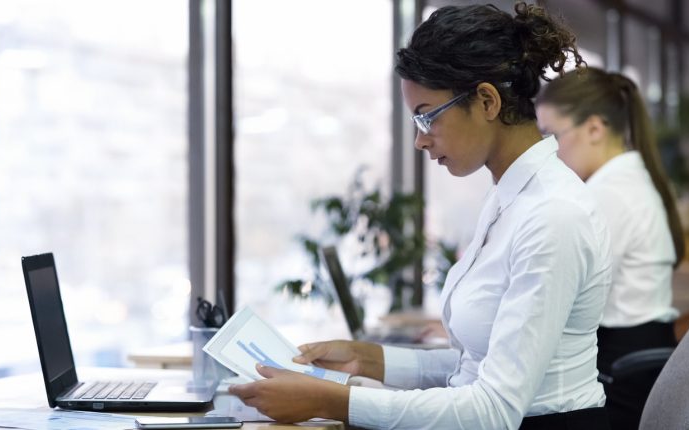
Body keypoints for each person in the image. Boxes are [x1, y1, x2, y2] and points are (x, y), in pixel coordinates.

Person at [229, 3, 613, 428]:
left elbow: (494, 410)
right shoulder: (511, 198)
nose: (420, 140)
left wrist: (333, 402)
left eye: (427, 116)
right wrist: (368, 359)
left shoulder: (552, 216)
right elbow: (477, 364)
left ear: (487, 100)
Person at [536, 67, 684, 430]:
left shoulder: (607, 194)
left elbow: (561, 297)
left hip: (621, 373)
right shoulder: (624, 181)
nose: (547, 152)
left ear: (595, 129)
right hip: (637, 359)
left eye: (552, 136)